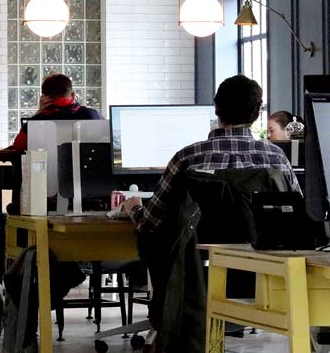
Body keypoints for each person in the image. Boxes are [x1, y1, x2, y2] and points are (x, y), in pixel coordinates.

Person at [122, 76, 299, 234]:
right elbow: (298, 214)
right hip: (264, 263)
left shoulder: (187, 157)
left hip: (199, 263)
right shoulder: (276, 156)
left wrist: (134, 208)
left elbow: (150, 223)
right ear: (258, 112)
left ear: (216, 108)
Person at [1, 73, 102, 152]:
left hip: (43, 176)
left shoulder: (36, 123)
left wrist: (40, 112)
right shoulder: (91, 115)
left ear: (44, 97)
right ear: (73, 94)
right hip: (87, 176)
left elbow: (18, 147)